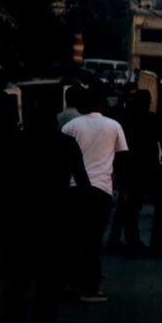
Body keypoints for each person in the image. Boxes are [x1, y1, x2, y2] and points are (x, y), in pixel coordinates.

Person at [1, 99, 90, 323]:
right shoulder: (66, 144)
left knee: (18, 277)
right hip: (55, 216)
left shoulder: (16, 142)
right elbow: (82, 182)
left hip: (21, 216)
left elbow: (3, 182)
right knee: (49, 280)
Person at [62, 85, 129, 303]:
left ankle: (71, 280)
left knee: (73, 237)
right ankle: (90, 287)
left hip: (74, 189)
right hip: (101, 189)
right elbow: (121, 160)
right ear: (102, 104)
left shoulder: (71, 126)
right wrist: (121, 187)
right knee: (92, 239)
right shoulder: (114, 126)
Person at [107, 90, 162, 256]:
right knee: (161, 205)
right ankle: (156, 243)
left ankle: (130, 241)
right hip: (151, 166)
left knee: (128, 206)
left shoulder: (124, 119)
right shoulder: (153, 119)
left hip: (130, 166)